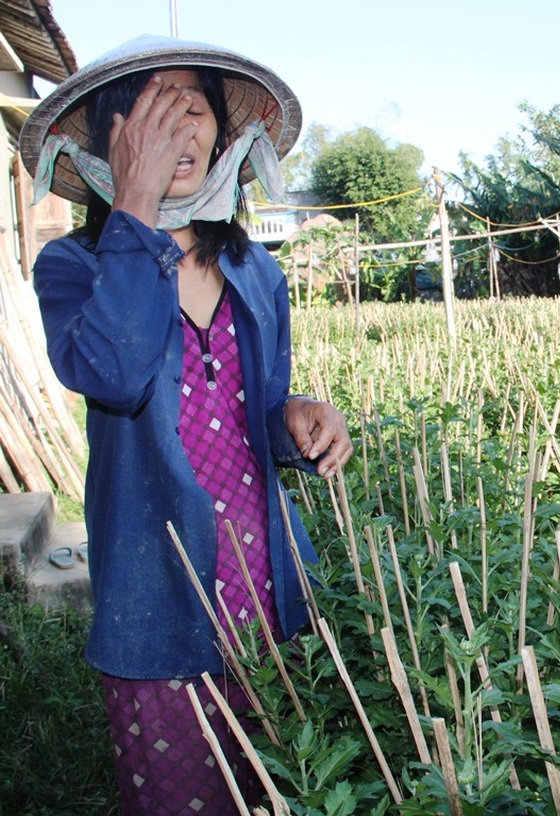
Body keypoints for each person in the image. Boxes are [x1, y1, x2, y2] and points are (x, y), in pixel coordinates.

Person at [19, 35, 354, 815]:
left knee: (280, 788)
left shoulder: (256, 271)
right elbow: (113, 372)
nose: (175, 124)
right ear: (113, 143)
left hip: (262, 585)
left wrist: (299, 420)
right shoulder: (75, 268)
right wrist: (135, 207)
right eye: (147, 111)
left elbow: (258, 414)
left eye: (192, 106)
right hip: (157, 597)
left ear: (223, 137)